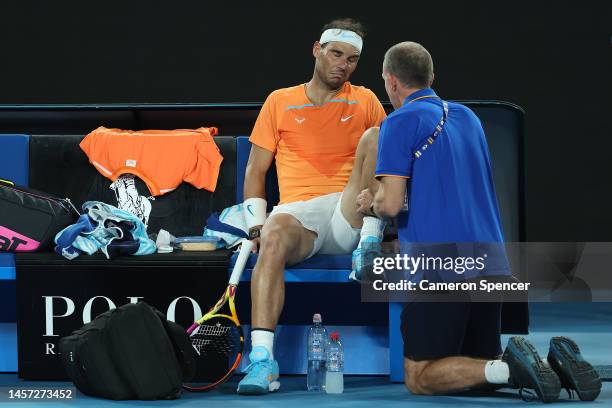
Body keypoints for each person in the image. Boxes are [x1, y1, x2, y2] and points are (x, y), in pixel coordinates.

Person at [356, 41, 601, 402]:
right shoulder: (468, 118)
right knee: (476, 366)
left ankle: (509, 367)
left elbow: (391, 205)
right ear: (432, 77)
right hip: (492, 265)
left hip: (440, 269)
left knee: (420, 376)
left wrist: (370, 203)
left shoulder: (398, 122)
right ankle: (552, 366)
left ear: (391, 82)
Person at [237, 18, 387, 395]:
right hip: (300, 215)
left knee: (377, 135)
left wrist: (379, 200)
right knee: (272, 237)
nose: (343, 65)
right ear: (317, 50)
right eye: (336, 54)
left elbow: (389, 163)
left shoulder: (365, 99)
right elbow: (256, 169)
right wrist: (257, 226)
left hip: (350, 210)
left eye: (352, 59)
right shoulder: (280, 101)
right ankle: (262, 360)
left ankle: (371, 242)